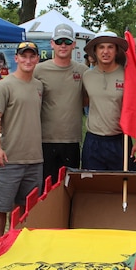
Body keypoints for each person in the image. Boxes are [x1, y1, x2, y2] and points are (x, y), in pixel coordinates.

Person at [0, 41, 43, 234]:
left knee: (25, 208)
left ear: (37, 59)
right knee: (1, 206)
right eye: (24, 56)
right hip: (9, 158)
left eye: (32, 56)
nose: (28, 60)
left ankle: (15, 245)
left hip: (34, 158)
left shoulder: (39, 86)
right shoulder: (4, 85)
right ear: (16, 58)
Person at [33, 23, 87, 186]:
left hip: (71, 139)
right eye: (59, 41)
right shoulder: (38, 70)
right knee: (46, 187)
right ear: (52, 44)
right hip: (45, 139)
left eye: (67, 42)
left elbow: (87, 98)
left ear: (74, 44)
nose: (63, 45)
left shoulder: (83, 71)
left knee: (69, 186)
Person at [81, 33, 136, 170]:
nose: (105, 51)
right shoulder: (87, 76)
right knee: (93, 186)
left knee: (123, 185)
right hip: (93, 141)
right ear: (95, 51)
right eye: (101, 47)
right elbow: (83, 101)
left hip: (120, 140)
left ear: (116, 51)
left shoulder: (128, 75)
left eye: (110, 47)